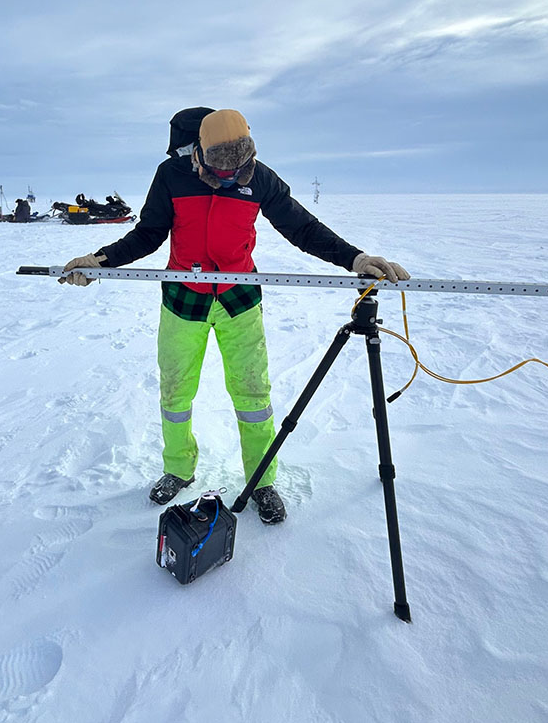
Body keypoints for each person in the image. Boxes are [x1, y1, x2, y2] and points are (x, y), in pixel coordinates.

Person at [60, 108, 409, 524]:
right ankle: (178, 468)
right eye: (220, 171)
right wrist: (101, 260)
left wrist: (356, 258)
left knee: (253, 397)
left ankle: (261, 480)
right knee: (176, 394)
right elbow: (149, 234)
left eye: (239, 171)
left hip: (239, 301)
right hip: (182, 301)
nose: (230, 179)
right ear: (198, 156)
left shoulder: (260, 178)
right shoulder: (171, 176)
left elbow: (303, 227)